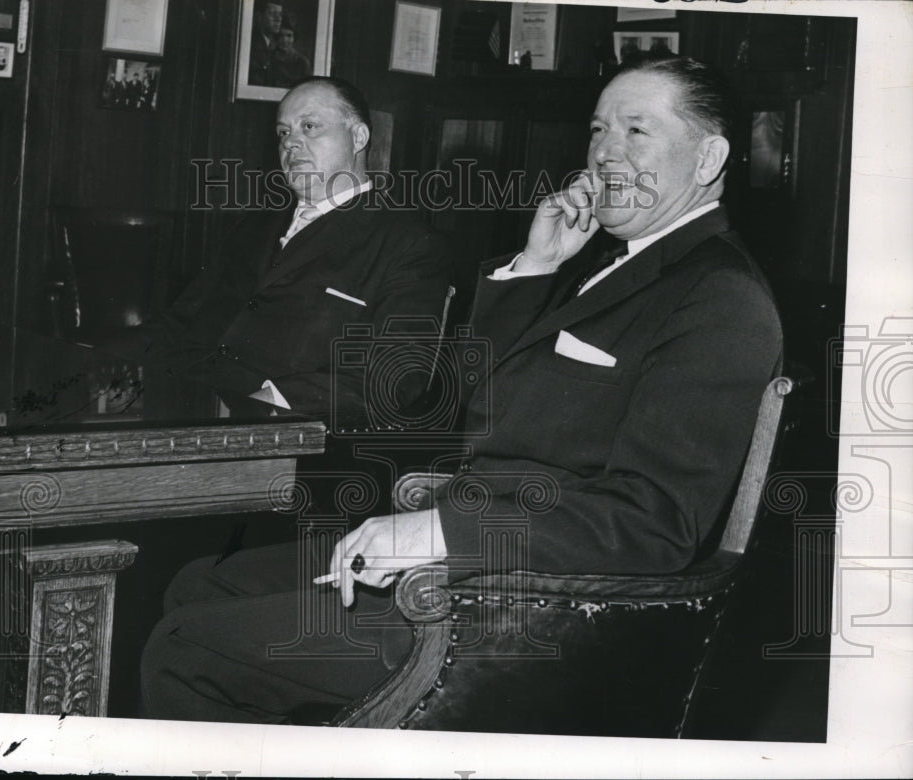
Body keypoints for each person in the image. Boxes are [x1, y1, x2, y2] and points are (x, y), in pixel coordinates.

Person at [140, 55, 782, 724]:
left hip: (524, 607)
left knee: (184, 648)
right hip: (485, 559)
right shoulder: (618, 269)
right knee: (200, 584)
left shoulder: (718, 296)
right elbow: (485, 408)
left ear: (708, 158)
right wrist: (536, 266)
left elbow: (653, 525)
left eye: (635, 131)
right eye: (597, 130)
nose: (603, 153)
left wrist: (437, 533)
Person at [108, 76, 451, 423]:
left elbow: (398, 375)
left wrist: (273, 401)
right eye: (284, 132)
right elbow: (181, 323)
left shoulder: (408, 243)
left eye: (310, 127)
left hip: (287, 433)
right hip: (188, 403)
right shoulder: (254, 226)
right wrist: (103, 356)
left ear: (358, 137)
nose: (292, 144)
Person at [248, 1, 283, 86]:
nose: (278, 19)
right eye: (272, 14)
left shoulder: (274, 45)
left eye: (280, 14)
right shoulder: (250, 45)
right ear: (258, 16)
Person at [269, 19, 312, 87]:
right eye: (280, 35)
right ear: (275, 37)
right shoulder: (269, 58)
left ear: (294, 38)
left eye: (289, 36)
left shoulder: (302, 62)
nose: (284, 40)